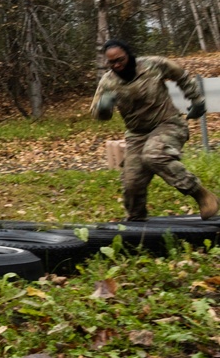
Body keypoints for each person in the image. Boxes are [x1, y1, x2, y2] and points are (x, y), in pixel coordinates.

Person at [90, 39, 219, 221]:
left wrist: (196, 99)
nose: (117, 65)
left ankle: (201, 194)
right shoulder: (108, 82)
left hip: (168, 124)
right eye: (112, 63)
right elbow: (98, 115)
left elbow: (181, 76)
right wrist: (103, 108)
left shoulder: (153, 65)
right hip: (137, 134)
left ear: (129, 55)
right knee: (132, 183)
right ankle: (137, 222)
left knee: (154, 154)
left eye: (121, 59)